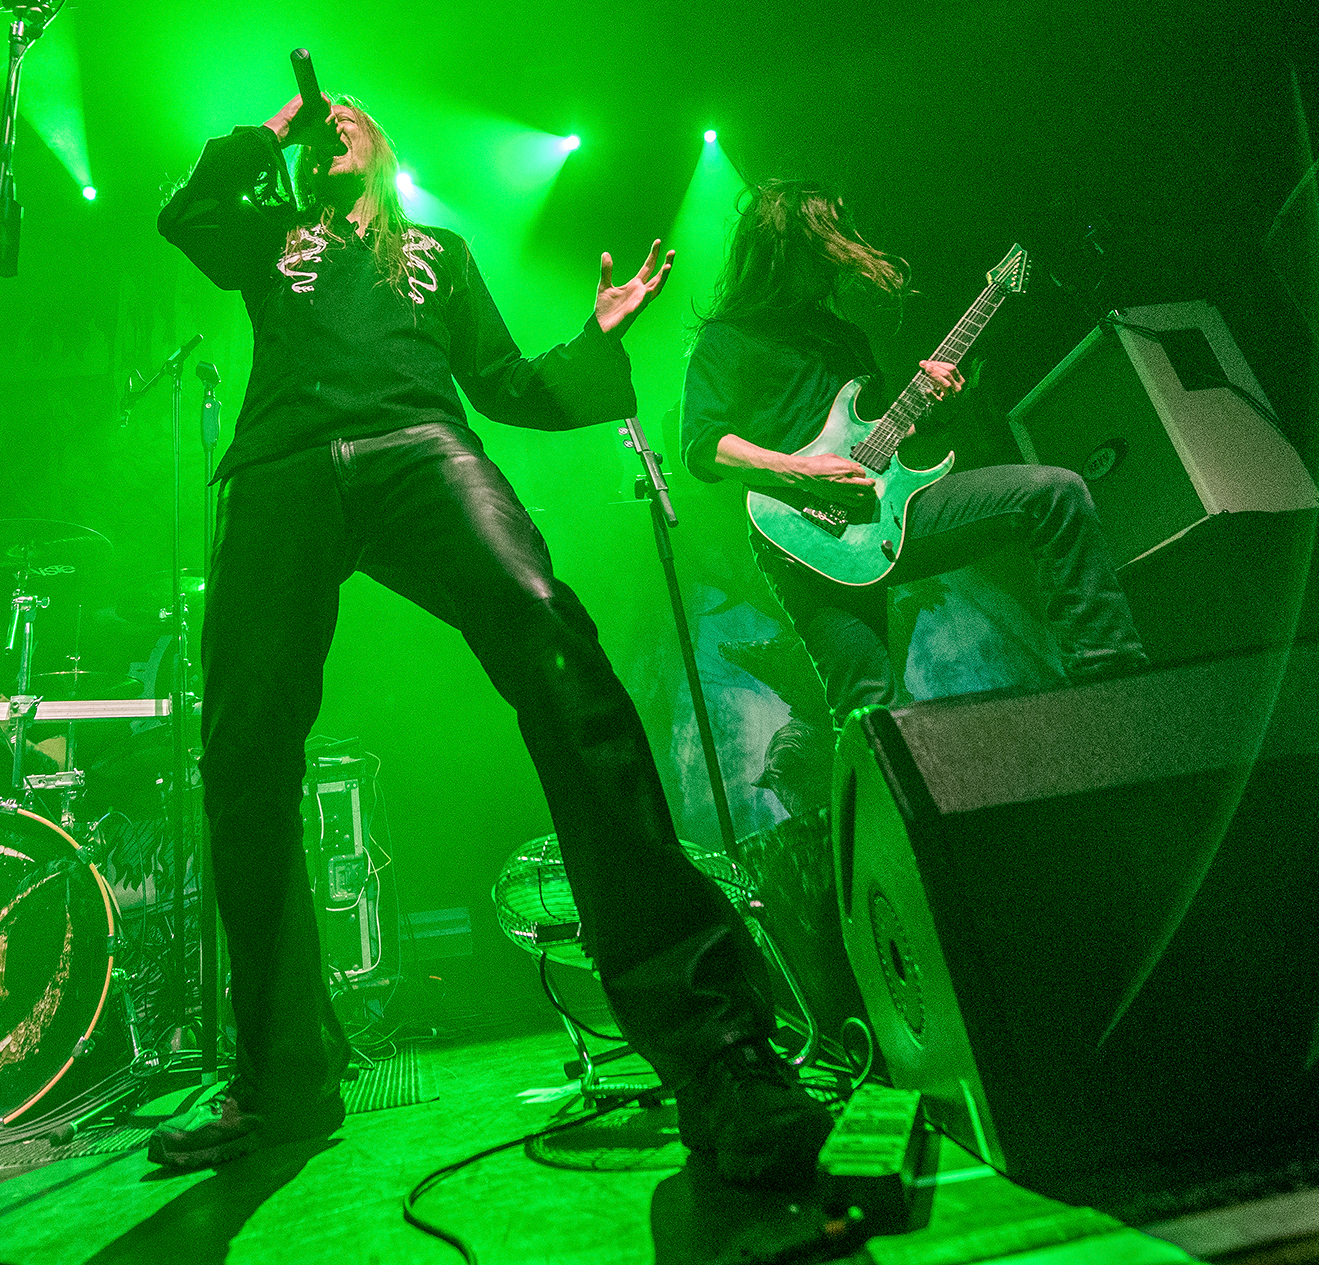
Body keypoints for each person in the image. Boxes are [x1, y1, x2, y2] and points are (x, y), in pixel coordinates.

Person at [151, 95, 832, 1181]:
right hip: (280, 465)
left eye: (348, 116)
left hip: (419, 442)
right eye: (319, 122)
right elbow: (186, 215)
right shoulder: (271, 236)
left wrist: (595, 341)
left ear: (382, 149)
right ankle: (280, 1078)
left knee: (553, 644)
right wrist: (267, 136)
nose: (332, 125)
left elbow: (506, 384)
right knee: (243, 746)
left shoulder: (438, 252)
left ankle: (716, 1046)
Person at [681, 180, 1145, 726]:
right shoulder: (727, 338)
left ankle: (1113, 683)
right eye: (828, 236)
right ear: (790, 243)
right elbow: (703, 447)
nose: (843, 251)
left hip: (884, 509)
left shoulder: (840, 334)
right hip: (800, 537)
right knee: (870, 709)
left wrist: (939, 405)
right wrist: (803, 471)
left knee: (1054, 493)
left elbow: (879, 435)